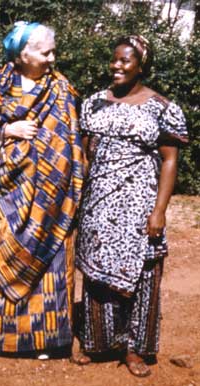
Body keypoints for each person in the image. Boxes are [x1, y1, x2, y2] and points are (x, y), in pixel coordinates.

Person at [0, 21, 84, 358]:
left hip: (50, 196)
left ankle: (45, 341)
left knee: (51, 261)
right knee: (1, 253)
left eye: (53, 51)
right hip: (7, 193)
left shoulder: (60, 88)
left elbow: (70, 142)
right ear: (22, 54)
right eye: (45, 52)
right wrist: (7, 131)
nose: (52, 58)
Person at [73, 35, 188, 376]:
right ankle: (97, 344)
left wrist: (160, 210)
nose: (117, 65)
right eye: (115, 59)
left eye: (126, 60)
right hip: (99, 205)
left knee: (141, 276)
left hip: (139, 207)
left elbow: (169, 161)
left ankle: (133, 349)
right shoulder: (93, 103)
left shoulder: (162, 108)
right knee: (95, 273)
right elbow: (83, 155)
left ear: (141, 66)